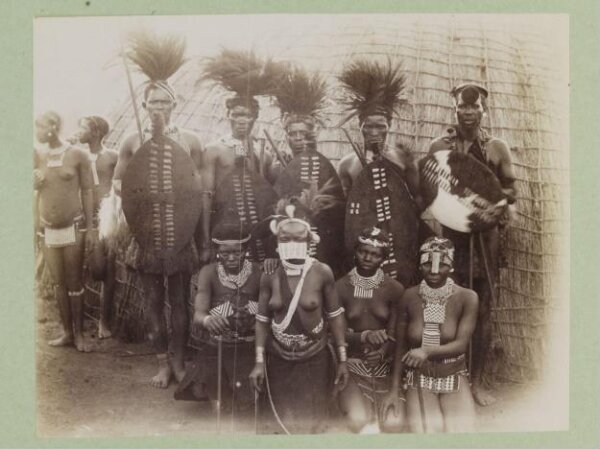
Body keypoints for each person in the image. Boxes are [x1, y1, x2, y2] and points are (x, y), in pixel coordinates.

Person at [112, 31, 204, 388]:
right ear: (146, 105)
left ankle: (180, 362)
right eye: (152, 103)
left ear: (173, 106)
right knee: (153, 303)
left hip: (180, 234)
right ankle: (162, 364)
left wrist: (199, 237)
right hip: (146, 233)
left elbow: (197, 194)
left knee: (180, 301)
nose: (158, 109)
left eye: (164, 104)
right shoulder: (132, 141)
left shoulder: (191, 142)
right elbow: (119, 188)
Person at [428, 83, 517, 405]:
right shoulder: (440, 145)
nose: (468, 112)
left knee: (482, 309)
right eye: (462, 107)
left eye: (474, 107)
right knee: (447, 304)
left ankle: (477, 382)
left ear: (483, 110)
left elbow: (509, 192)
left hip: (485, 240)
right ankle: (449, 378)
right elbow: (429, 190)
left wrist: (491, 210)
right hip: (450, 238)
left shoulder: (496, 148)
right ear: (454, 109)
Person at [249, 200, 349, 434]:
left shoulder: (322, 272)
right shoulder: (269, 275)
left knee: (312, 426)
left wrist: (343, 359)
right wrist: (259, 362)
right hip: (278, 359)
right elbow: (262, 321)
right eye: (285, 239)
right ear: (276, 242)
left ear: (309, 241)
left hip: (314, 359)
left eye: (298, 239)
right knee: (277, 428)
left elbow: (335, 317)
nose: (291, 244)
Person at [339, 59, 423, 287]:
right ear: (360, 125)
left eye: (381, 126)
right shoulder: (347, 164)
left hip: (399, 240)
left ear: (390, 125)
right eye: (369, 126)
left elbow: (418, 202)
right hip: (363, 246)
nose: (374, 132)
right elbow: (347, 210)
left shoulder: (403, 160)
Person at [382, 237, 478, 433]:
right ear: (419, 265)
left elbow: (461, 345)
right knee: (428, 433)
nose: (434, 270)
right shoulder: (409, 296)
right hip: (419, 376)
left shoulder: (467, 297)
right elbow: (400, 346)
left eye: (441, 264)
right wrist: (394, 390)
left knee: (461, 434)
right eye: (427, 263)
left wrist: (426, 350)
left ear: (451, 266)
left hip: (453, 375)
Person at [199, 49, 281, 265]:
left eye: (246, 115)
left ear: (255, 117)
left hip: (256, 229)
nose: (241, 120)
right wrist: (206, 241)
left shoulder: (264, 153)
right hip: (224, 226)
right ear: (228, 115)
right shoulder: (214, 150)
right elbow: (206, 196)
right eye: (236, 114)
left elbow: (271, 196)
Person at [175, 222, 261, 423]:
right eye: (225, 253)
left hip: (250, 347)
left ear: (246, 251)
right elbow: (198, 314)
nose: (231, 258)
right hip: (218, 347)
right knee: (219, 408)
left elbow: (269, 311)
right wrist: (208, 319)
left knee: (248, 407)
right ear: (217, 251)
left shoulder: (259, 273)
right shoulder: (209, 273)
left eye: (237, 252)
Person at [271, 64, 347, 279]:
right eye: (292, 133)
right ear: (286, 135)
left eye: (303, 133)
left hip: (321, 246)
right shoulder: (276, 168)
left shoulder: (325, 168)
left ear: (311, 135)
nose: (298, 138)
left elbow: (337, 213)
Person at [34, 111, 95, 352]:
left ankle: (80, 334)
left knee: (74, 281)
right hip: (48, 227)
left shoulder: (78, 154)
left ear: (52, 127)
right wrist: (33, 182)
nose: (36, 132)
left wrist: (90, 228)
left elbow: (88, 192)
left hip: (73, 226)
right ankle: (67, 332)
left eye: (39, 127)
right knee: (59, 283)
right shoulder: (37, 155)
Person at [336, 227, 406, 433]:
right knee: (359, 422)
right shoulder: (340, 287)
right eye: (363, 251)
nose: (368, 257)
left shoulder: (394, 289)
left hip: (384, 369)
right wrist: (363, 336)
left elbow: (396, 337)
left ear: (383, 258)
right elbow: (333, 334)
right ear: (355, 252)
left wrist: (383, 352)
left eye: (375, 254)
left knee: (394, 425)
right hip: (352, 366)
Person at [75, 116, 118, 338]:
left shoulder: (112, 157)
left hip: (105, 217)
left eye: (83, 126)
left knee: (105, 269)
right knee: (75, 268)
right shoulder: (76, 156)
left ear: (97, 132)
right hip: (80, 216)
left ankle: (104, 322)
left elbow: (119, 185)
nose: (79, 130)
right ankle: (76, 324)